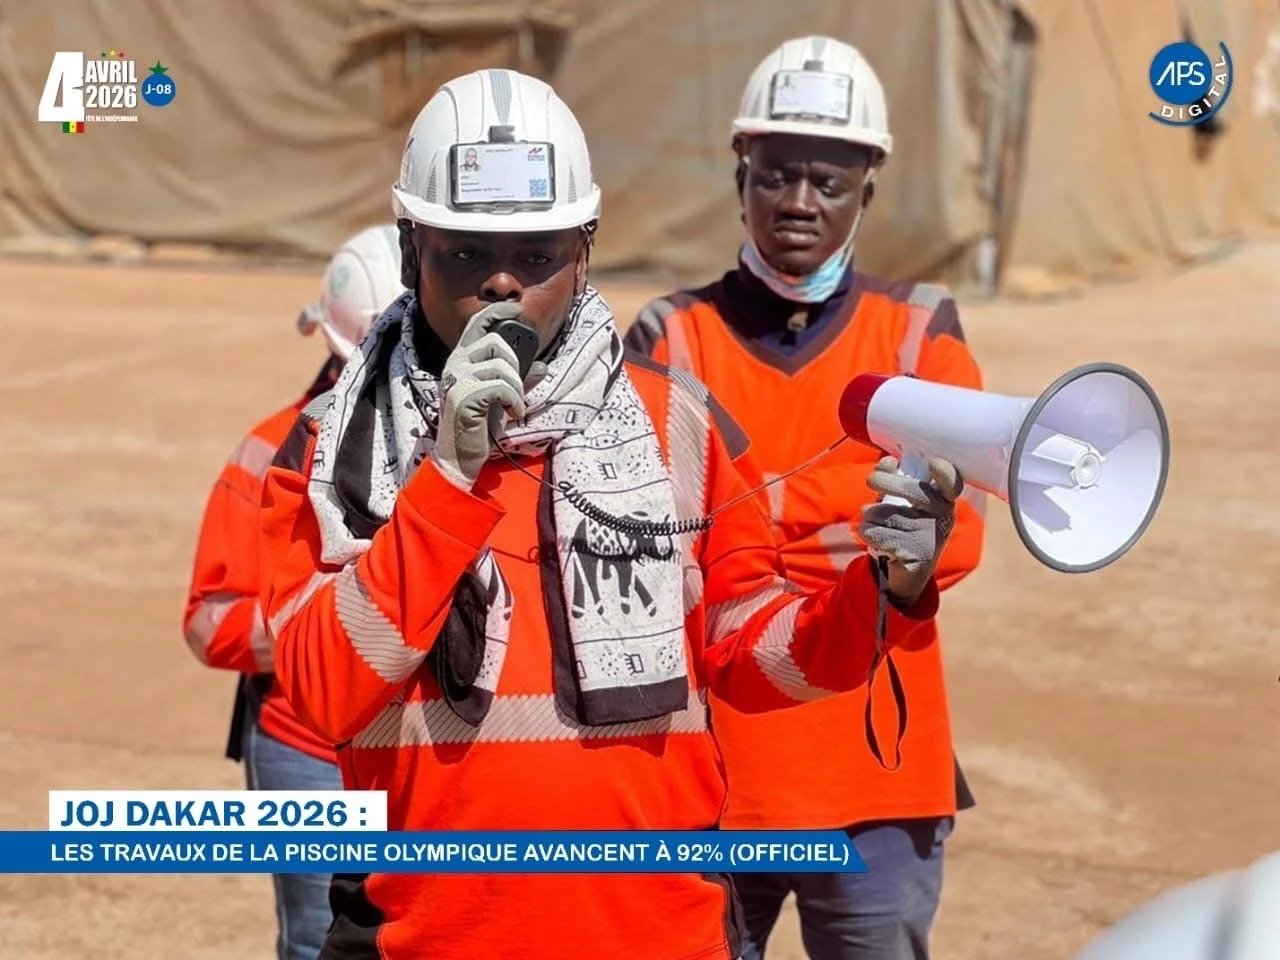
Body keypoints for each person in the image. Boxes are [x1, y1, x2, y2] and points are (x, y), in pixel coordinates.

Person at [258, 67, 964, 960]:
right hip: (422, 938)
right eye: (464, 253)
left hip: (656, 937)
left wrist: (885, 592)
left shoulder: (679, 425)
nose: (503, 286)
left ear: (584, 249)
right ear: (410, 251)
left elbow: (752, 653)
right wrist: (446, 475)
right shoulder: (331, 446)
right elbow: (323, 692)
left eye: (539, 255)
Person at [624, 36, 987, 960]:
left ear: (869, 183)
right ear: (739, 172)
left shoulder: (917, 333)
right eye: (776, 174)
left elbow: (961, 533)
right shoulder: (673, 334)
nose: (798, 202)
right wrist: (844, 527)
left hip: (875, 777)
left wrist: (744, 522)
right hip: (708, 780)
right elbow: (645, 544)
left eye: (828, 180)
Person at [182, 224, 405, 960]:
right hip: (303, 751)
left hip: (428, 753)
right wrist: (325, 628)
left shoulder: (464, 447)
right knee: (318, 943)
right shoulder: (271, 447)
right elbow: (209, 621)